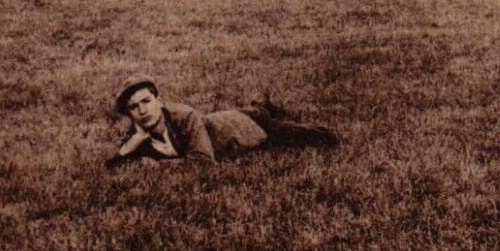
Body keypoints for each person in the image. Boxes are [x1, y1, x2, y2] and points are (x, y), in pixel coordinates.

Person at [105, 74, 338, 168]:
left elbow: (204, 162)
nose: (142, 110)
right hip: (225, 119)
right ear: (129, 114)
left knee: (317, 137)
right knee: (258, 110)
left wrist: (159, 166)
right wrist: (134, 142)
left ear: (159, 100)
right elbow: (112, 165)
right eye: (133, 107)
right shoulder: (139, 131)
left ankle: (263, 109)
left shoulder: (184, 116)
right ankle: (262, 105)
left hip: (248, 127)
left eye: (146, 101)